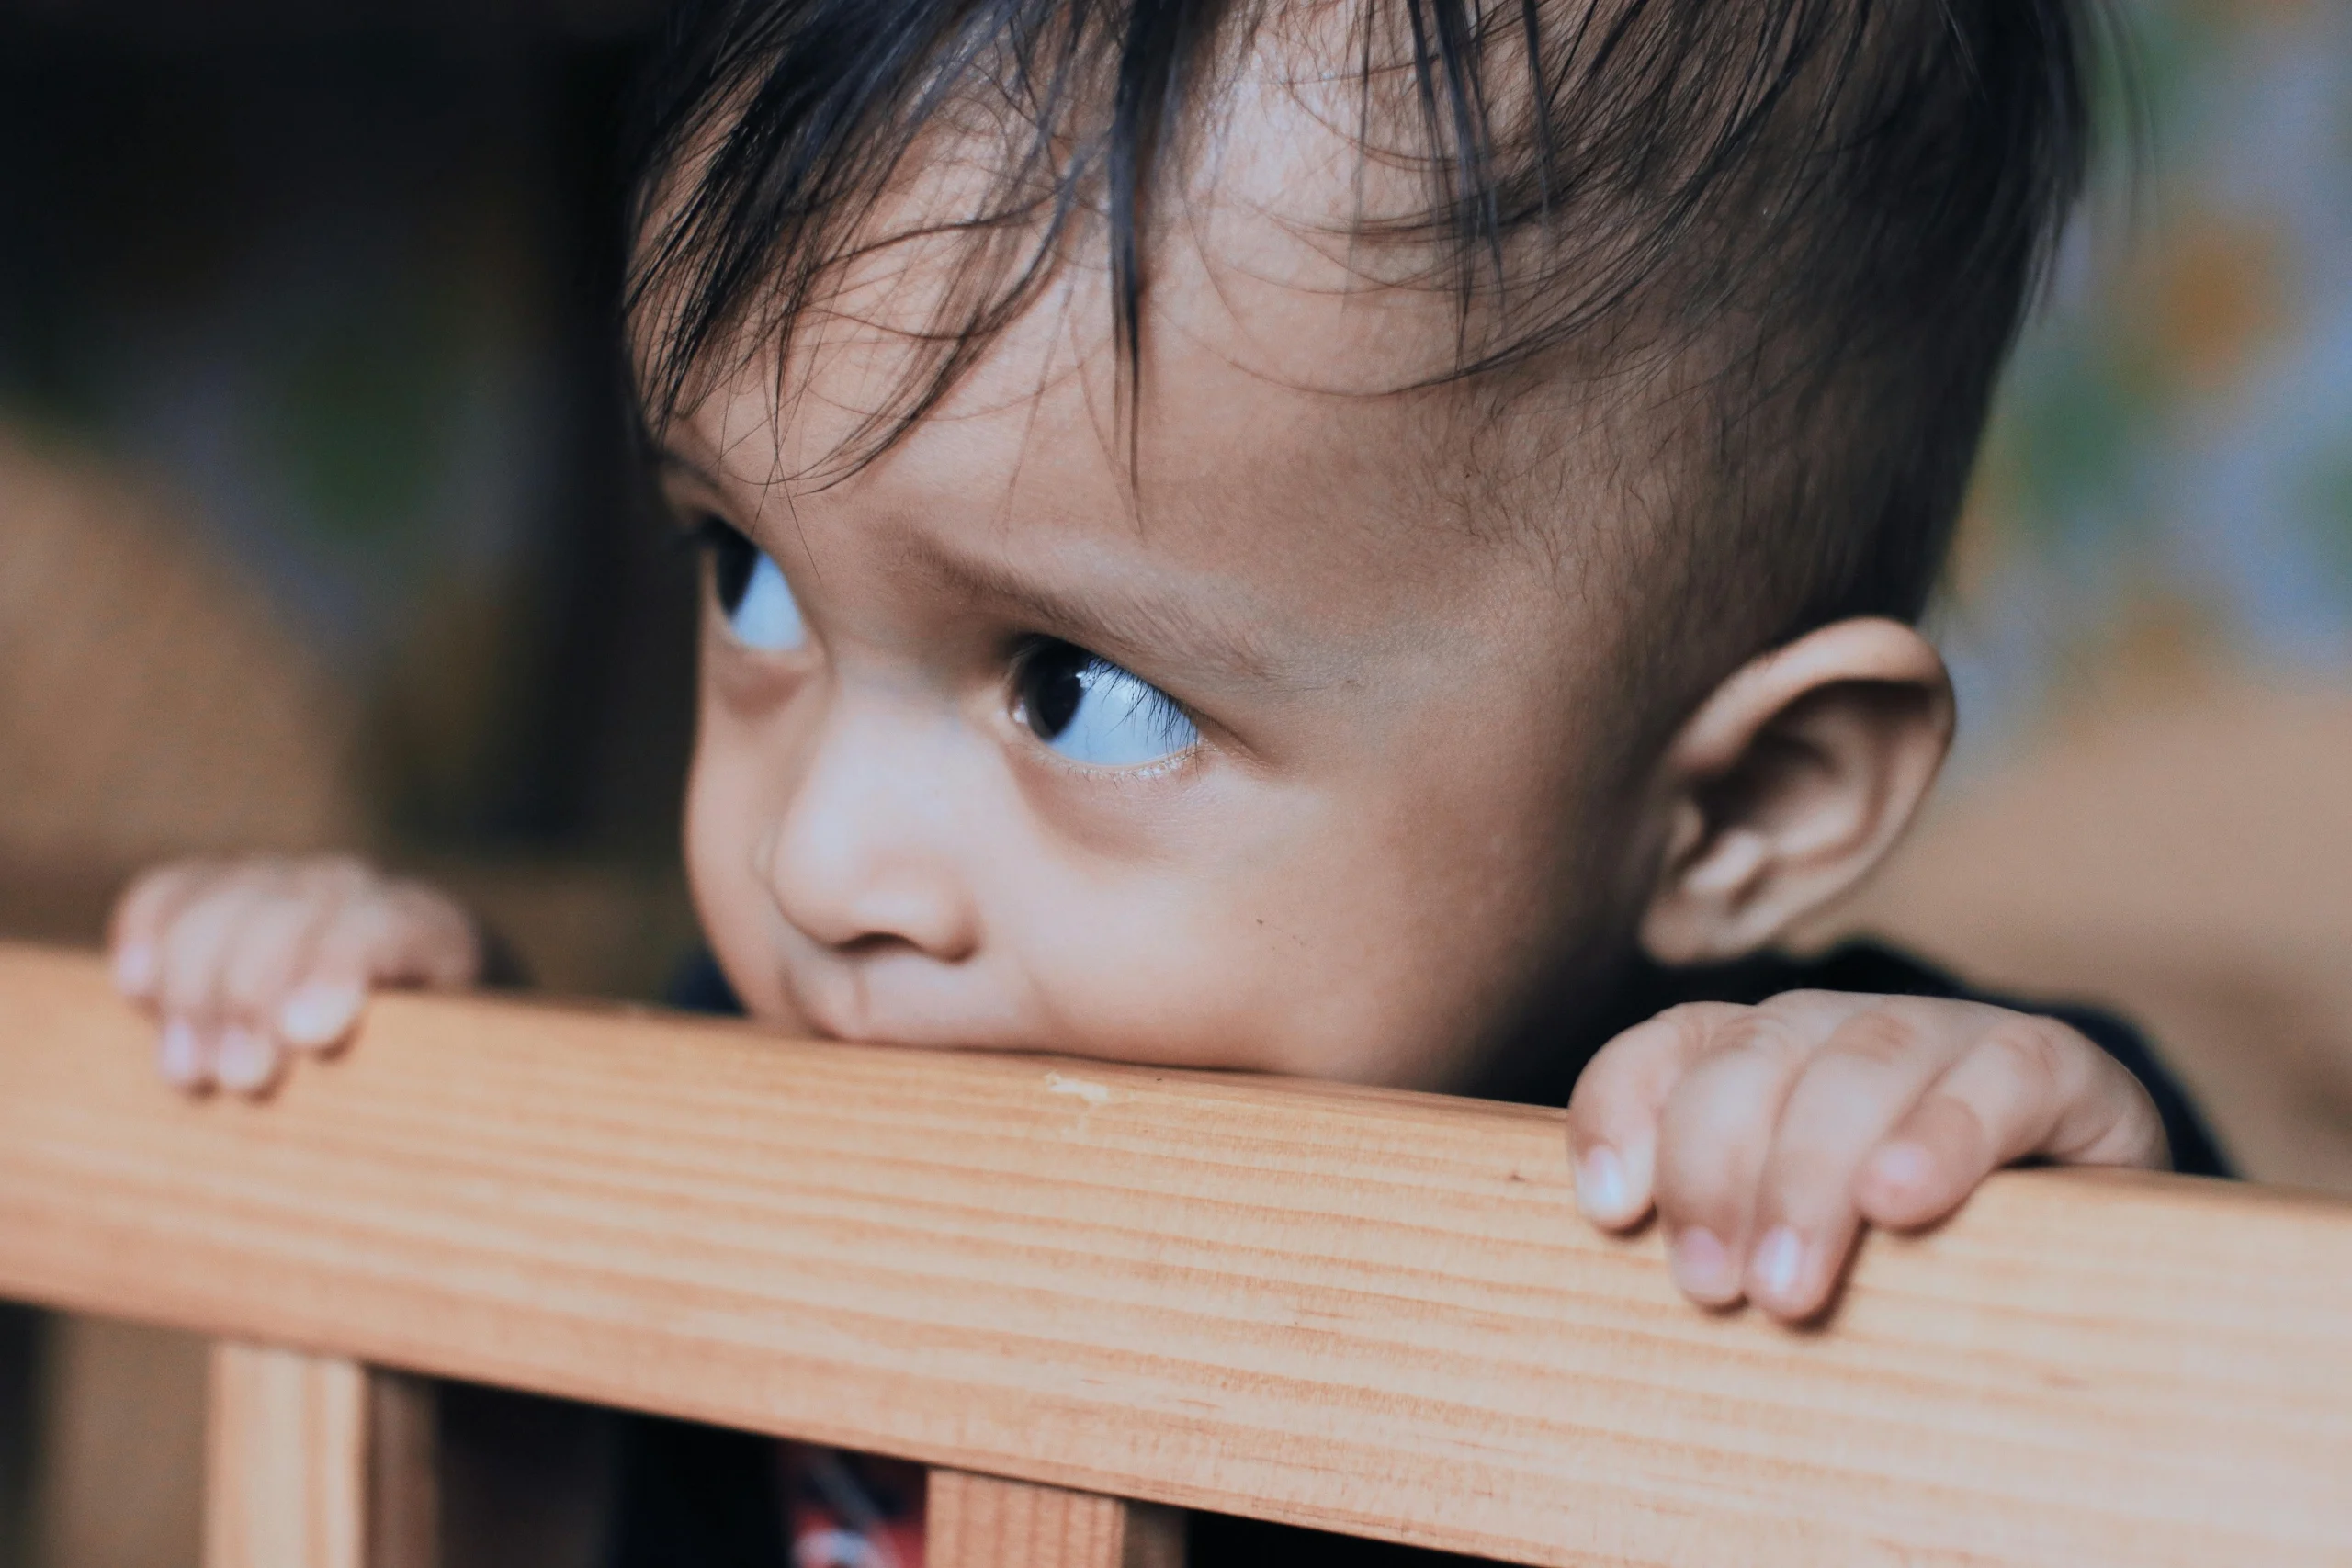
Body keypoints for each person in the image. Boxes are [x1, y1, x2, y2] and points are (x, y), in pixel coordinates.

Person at [106, 0, 2229, 1560]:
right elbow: (492, 1491)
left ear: (1739, 809)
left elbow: (2188, 1442)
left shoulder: (1792, 1194)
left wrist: (1988, 1232)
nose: (821, 855)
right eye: (748, 579)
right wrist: (415, 1090)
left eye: (1077, 693)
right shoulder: (757, 1076)